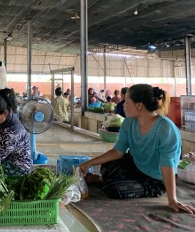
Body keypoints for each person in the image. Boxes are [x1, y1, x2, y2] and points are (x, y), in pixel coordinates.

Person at [79, 84, 195, 214]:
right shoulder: (129, 123)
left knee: (115, 190)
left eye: (127, 101)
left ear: (139, 105)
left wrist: (172, 200)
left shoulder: (166, 129)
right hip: (136, 166)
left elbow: (167, 165)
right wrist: (89, 163)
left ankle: (103, 181)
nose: (123, 104)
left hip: (156, 179)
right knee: (107, 165)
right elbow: (118, 152)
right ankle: (105, 179)